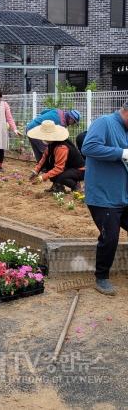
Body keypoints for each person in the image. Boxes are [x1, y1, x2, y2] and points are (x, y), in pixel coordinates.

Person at [81, 102, 128, 296]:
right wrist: (121, 153)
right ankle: (101, 277)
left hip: (122, 195)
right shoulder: (104, 123)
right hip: (103, 196)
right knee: (110, 237)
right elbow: (89, 147)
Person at [27, 120, 85, 193]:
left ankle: (75, 185)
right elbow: (44, 158)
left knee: (60, 176)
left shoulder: (61, 147)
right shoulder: (52, 144)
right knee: (48, 167)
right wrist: (36, 171)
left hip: (79, 170)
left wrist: (42, 177)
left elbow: (59, 168)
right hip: (69, 168)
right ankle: (57, 186)